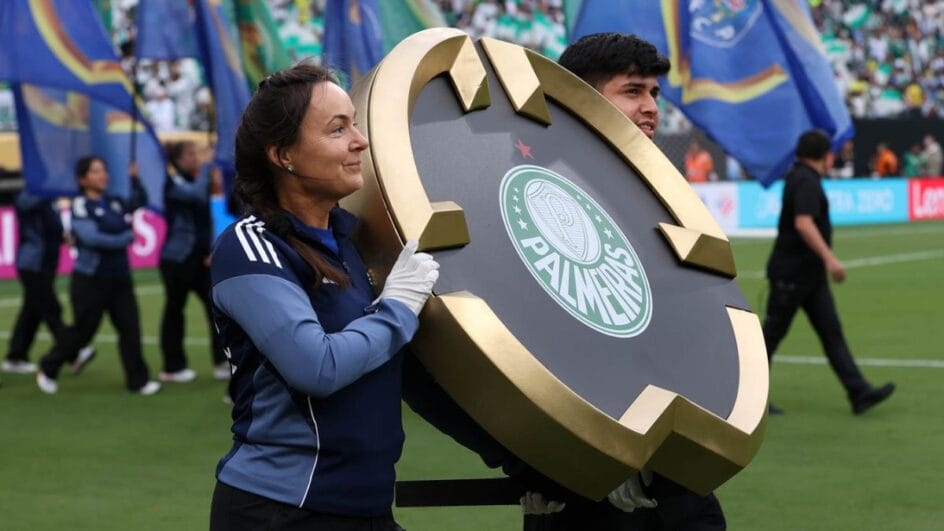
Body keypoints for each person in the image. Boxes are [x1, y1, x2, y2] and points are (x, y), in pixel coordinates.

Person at [401, 32, 727, 531]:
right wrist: (533, 459)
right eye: (633, 91)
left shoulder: (663, 203)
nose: (651, 108)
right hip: (579, 496)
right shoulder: (519, 196)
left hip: (678, 489)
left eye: (655, 94)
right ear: (578, 98)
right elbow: (428, 354)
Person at [208, 62, 439, 530]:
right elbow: (317, 366)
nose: (361, 140)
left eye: (354, 123)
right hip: (282, 509)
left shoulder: (356, 242)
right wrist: (397, 308)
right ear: (284, 154)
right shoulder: (249, 246)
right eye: (338, 129)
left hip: (367, 504)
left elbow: (415, 378)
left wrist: (524, 461)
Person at [763, 129, 895, 416]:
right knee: (769, 337)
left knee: (831, 333)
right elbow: (803, 223)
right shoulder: (806, 181)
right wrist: (831, 259)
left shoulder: (799, 176)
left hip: (807, 275)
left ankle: (858, 391)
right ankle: (747, 398)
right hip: (794, 275)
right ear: (824, 155)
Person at [36, 157, 160, 395]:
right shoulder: (81, 205)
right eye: (95, 171)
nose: (102, 175)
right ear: (83, 179)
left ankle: (138, 381)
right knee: (83, 332)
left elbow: (139, 201)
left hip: (120, 278)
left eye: (103, 170)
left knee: (130, 328)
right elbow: (92, 238)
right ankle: (48, 365)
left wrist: (135, 179)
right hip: (90, 280)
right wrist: (125, 238)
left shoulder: (113, 202)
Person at [4, 190, 96, 377]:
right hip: (32, 264)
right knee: (51, 309)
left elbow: (50, 227)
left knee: (32, 311)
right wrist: (51, 190)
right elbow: (26, 203)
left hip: (46, 263)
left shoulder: (48, 201)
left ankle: (16, 356)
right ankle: (73, 351)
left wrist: (64, 237)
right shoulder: (29, 195)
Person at [157, 141, 228, 383]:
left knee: (216, 309)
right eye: (189, 153)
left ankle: (221, 360)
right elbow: (195, 195)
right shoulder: (173, 181)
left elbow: (206, 219)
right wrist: (209, 164)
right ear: (176, 159)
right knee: (175, 310)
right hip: (177, 259)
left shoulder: (196, 178)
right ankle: (172, 366)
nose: (194, 157)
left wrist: (211, 249)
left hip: (200, 259)